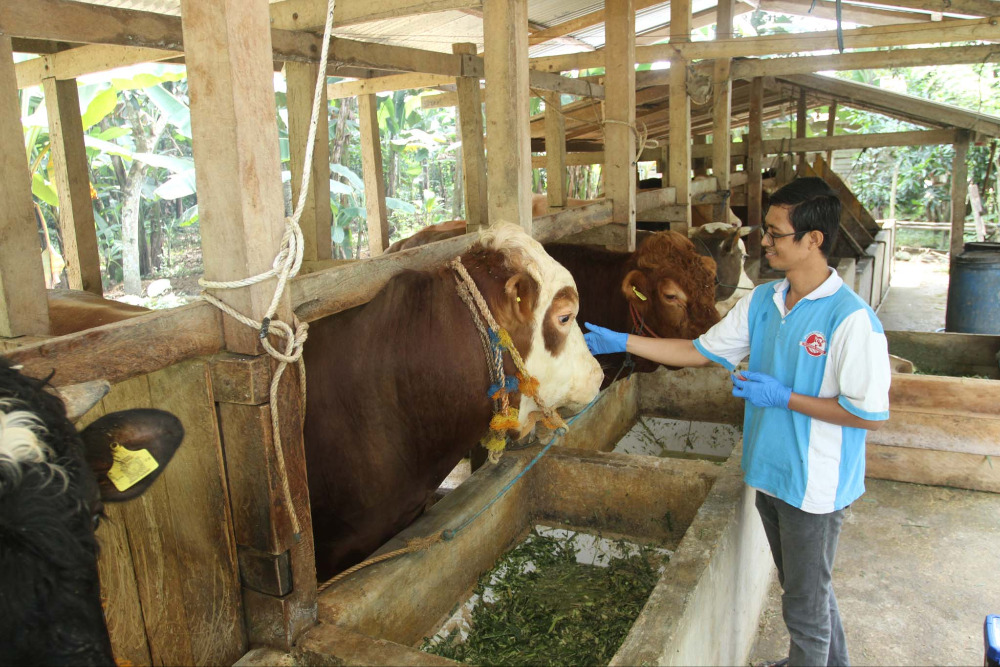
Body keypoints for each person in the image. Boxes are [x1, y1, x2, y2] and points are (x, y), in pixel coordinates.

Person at [585, 177, 891, 667]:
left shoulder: (851, 320)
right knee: (805, 587)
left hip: (814, 485)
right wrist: (625, 342)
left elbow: (868, 414)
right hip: (768, 470)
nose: (763, 242)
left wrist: (785, 397)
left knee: (805, 608)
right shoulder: (764, 302)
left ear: (813, 240)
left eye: (775, 233)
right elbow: (697, 350)